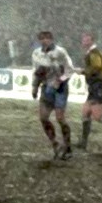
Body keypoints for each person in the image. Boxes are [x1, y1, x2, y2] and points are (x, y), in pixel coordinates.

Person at [31, 31, 75, 160]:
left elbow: (69, 69)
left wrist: (61, 80)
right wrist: (35, 86)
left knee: (60, 118)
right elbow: (37, 72)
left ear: (51, 39)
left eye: (47, 38)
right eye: (42, 39)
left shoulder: (60, 52)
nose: (44, 41)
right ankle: (55, 143)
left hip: (60, 88)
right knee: (43, 118)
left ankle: (68, 146)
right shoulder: (36, 54)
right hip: (46, 88)